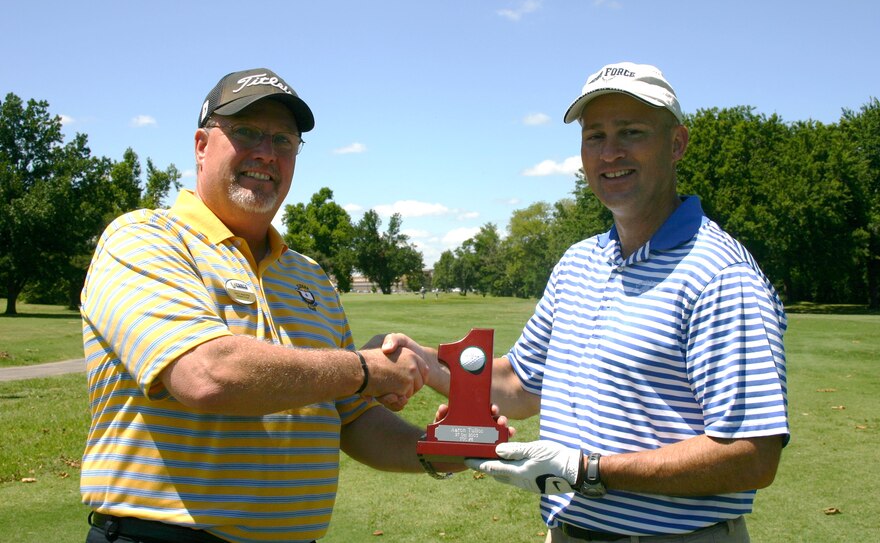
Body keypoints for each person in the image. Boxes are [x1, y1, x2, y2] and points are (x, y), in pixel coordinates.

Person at [387, 62, 789, 542]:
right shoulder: (579, 262)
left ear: (676, 144)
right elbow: (518, 384)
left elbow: (752, 455)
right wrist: (421, 360)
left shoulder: (720, 275)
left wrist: (589, 470)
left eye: (631, 132)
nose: (610, 152)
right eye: (594, 136)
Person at [79, 68, 460, 543]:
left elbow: (351, 417)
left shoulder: (309, 275)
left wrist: (437, 450)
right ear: (202, 145)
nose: (266, 153)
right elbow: (207, 374)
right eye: (245, 132)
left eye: (284, 140)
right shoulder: (144, 238)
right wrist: (363, 370)